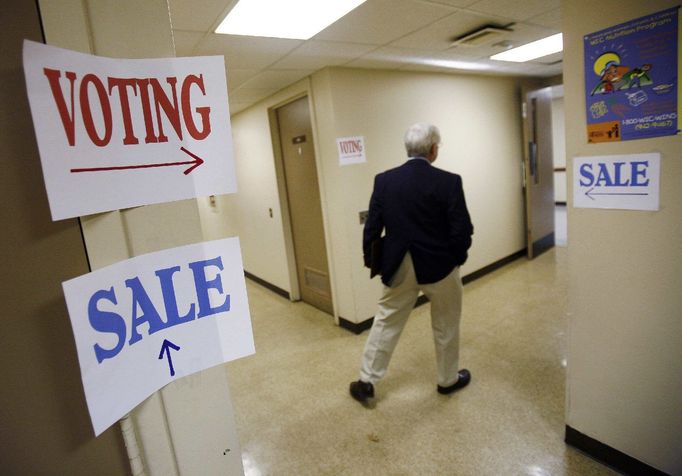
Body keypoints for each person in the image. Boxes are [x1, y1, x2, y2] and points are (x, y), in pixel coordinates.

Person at [350, 122, 474, 405]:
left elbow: (372, 228)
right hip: (441, 265)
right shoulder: (449, 181)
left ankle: (366, 382)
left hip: (399, 265)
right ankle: (447, 380)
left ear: (408, 149)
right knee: (446, 324)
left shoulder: (384, 180)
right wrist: (456, 259)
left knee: (385, 322)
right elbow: (461, 229)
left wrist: (375, 262)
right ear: (433, 150)